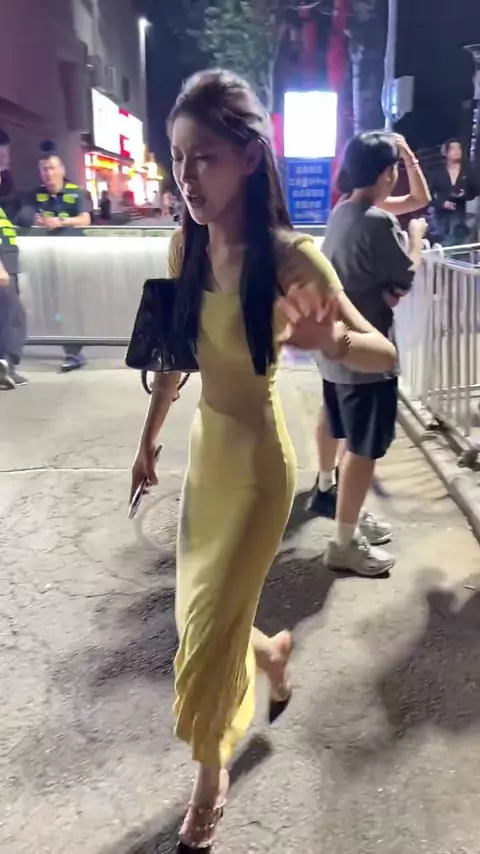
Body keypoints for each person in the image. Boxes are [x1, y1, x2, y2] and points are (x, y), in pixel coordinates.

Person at [130, 70, 396, 852]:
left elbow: (381, 353)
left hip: (256, 472)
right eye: (179, 158)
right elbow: (173, 358)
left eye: (204, 157)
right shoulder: (184, 244)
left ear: (249, 158)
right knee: (200, 619)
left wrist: (330, 339)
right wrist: (148, 439)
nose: (187, 177)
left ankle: (208, 785)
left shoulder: (290, 258)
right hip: (206, 458)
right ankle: (273, 653)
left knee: (204, 638)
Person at [308, 131, 428, 577]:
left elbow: (417, 199)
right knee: (362, 449)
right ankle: (343, 543)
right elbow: (405, 278)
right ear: (386, 174)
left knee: (339, 425)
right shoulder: (378, 222)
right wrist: (416, 238)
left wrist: (405, 154)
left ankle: (338, 504)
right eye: (395, 167)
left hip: (334, 348)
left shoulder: (343, 210)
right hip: (366, 354)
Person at [22, 142, 91, 372]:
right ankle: (65, 344)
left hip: (72, 259)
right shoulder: (35, 195)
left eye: (52, 168)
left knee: (70, 303)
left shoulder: (75, 192)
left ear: (62, 169)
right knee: (52, 305)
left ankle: (74, 352)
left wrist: (59, 222)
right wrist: (32, 219)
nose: (49, 174)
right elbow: (23, 215)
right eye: (44, 169)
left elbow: (85, 219)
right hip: (46, 259)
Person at [0, 168, 27, 390]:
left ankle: (7, 368)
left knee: (7, 318)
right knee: (15, 316)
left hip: (9, 267)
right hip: (2, 270)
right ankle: (6, 364)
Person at [429, 138, 479, 246]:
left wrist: (464, 195)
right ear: (445, 152)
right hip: (441, 217)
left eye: (459, 148)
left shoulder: (468, 171)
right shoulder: (437, 173)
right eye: (453, 148)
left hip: (463, 214)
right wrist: (442, 203)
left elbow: (476, 190)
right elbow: (429, 194)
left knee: (459, 238)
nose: (457, 151)